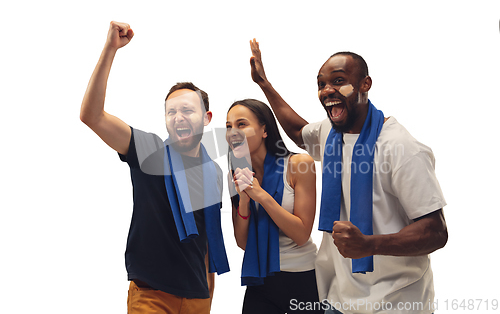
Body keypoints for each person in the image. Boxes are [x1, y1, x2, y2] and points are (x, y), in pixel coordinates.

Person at [248, 39, 448, 314]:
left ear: (365, 84)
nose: (327, 91)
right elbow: (298, 133)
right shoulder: (330, 135)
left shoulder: (400, 148)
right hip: (338, 301)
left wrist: (369, 244)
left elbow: (436, 231)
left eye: (339, 81)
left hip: (396, 303)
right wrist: (264, 84)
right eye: (321, 84)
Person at [80, 21, 229, 314]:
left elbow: (207, 238)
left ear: (207, 117)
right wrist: (110, 49)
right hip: (152, 295)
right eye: (171, 112)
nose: (178, 117)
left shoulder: (214, 171)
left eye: (187, 110)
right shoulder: (149, 150)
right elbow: (92, 115)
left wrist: (209, 296)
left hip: (198, 298)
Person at [226, 99, 322, 314]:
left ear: (264, 131)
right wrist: (244, 200)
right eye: (228, 126)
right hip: (261, 278)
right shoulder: (235, 174)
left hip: (303, 277)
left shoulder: (299, 164)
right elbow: (243, 243)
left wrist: (262, 196)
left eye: (241, 124)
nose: (233, 132)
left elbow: (301, 234)